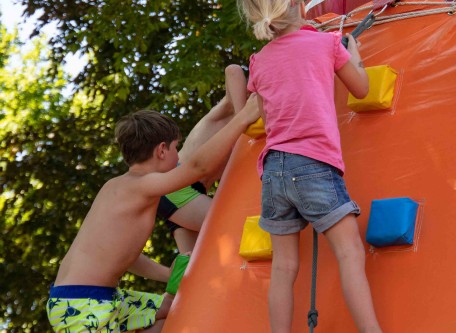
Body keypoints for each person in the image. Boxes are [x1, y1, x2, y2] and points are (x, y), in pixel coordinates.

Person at [45, 95, 260, 333]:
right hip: (81, 306)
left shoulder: (118, 188)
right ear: (161, 150)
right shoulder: (139, 186)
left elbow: (126, 257)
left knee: (175, 307)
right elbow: (198, 167)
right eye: (176, 148)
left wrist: (171, 275)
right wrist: (242, 119)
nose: (178, 156)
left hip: (95, 297)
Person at [237, 0, 382, 332]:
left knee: (284, 268)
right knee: (349, 253)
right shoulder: (327, 43)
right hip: (314, 162)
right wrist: (354, 54)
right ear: (298, 5)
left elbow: (266, 112)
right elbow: (361, 89)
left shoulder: (258, 62)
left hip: (273, 169)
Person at [156, 64, 249, 254]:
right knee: (240, 223)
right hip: (178, 184)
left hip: (189, 190)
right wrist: (243, 116)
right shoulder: (230, 109)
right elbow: (232, 69)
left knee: (191, 264)